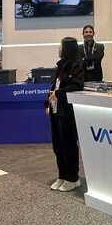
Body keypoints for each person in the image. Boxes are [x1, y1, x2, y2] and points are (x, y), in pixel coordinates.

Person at [45, 37, 85, 192]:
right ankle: (62, 175)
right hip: (55, 111)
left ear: (67, 48)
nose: (58, 48)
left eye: (61, 46)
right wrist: (47, 103)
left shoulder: (77, 66)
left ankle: (72, 178)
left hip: (67, 111)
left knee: (68, 145)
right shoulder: (60, 66)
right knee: (58, 146)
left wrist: (59, 93)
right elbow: (53, 86)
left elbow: (77, 85)